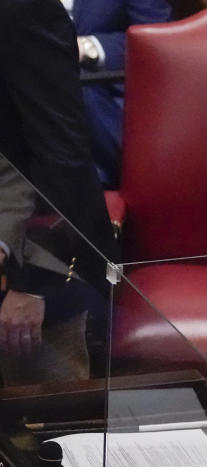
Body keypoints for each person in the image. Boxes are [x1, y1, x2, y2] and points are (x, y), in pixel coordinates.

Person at [0, 0, 119, 384]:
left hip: (41, 259)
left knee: (44, 433)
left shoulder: (23, 8)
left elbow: (60, 153)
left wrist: (32, 286)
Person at [68, 0, 173, 187]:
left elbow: (161, 41)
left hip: (102, 90)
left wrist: (88, 47)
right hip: (23, 79)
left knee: (75, 84)